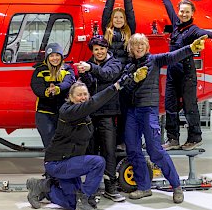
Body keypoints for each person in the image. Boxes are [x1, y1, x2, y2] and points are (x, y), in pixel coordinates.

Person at [26, 69, 148, 210]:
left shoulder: (86, 115)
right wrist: (117, 86)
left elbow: (92, 107)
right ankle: (83, 197)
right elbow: (94, 103)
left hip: (71, 163)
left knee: (71, 203)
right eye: (79, 95)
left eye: (85, 94)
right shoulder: (68, 111)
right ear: (71, 97)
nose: (82, 97)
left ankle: (43, 188)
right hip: (57, 163)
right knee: (98, 162)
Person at [121, 33, 205, 203]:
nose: (139, 47)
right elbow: (124, 86)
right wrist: (133, 77)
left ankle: (176, 187)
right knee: (133, 149)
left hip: (148, 110)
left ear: (147, 47)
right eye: (135, 44)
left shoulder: (154, 60)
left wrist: (190, 48)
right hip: (131, 111)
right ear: (131, 48)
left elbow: (173, 56)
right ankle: (144, 187)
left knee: (155, 150)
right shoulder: (128, 65)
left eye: (142, 44)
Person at [154, 0, 212, 151]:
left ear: (192, 13)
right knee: (170, 106)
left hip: (187, 74)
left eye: (187, 12)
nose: (183, 14)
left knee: (190, 107)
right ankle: (173, 139)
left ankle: (195, 138)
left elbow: (207, 33)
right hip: (173, 73)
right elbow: (167, 5)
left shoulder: (193, 29)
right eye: (182, 11)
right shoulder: (175, 24)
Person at [75, 35, 125, 202]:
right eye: (96, 49)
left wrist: (90, 68)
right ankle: (91, 188)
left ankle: (110, 187)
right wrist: (84, 74)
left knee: (108, 151)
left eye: (102, 48)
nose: (99, 52)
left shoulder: (115, 63)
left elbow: (108, 75)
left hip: (108, 114)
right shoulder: (89, 64)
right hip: (90, 114)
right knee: (90, 151)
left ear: (107, 49)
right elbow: (88, 86)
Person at [102, 0, 136, 151]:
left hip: (124, 78)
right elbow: (107, 9)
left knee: (123, 112)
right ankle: (107, 142)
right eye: (115, 17)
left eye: (120, 17)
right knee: (108, 111)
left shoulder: (129, 32)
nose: (117, 19)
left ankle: (121, 142)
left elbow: (130, 12)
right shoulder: (106, 31)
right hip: (108, 77)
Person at [30, 42, 75, 148]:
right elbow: (36, 87)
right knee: (50, 145)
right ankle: (51, 164)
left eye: (57, 55)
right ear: (47, 57)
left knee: (64, 144)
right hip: (44, 114)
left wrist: (58, 89)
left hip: (64, 113)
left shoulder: (67, 69)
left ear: (61, 56)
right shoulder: (40, 70)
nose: (55, 58)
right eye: (51, 55)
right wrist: (47, 92)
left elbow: (68, 82)